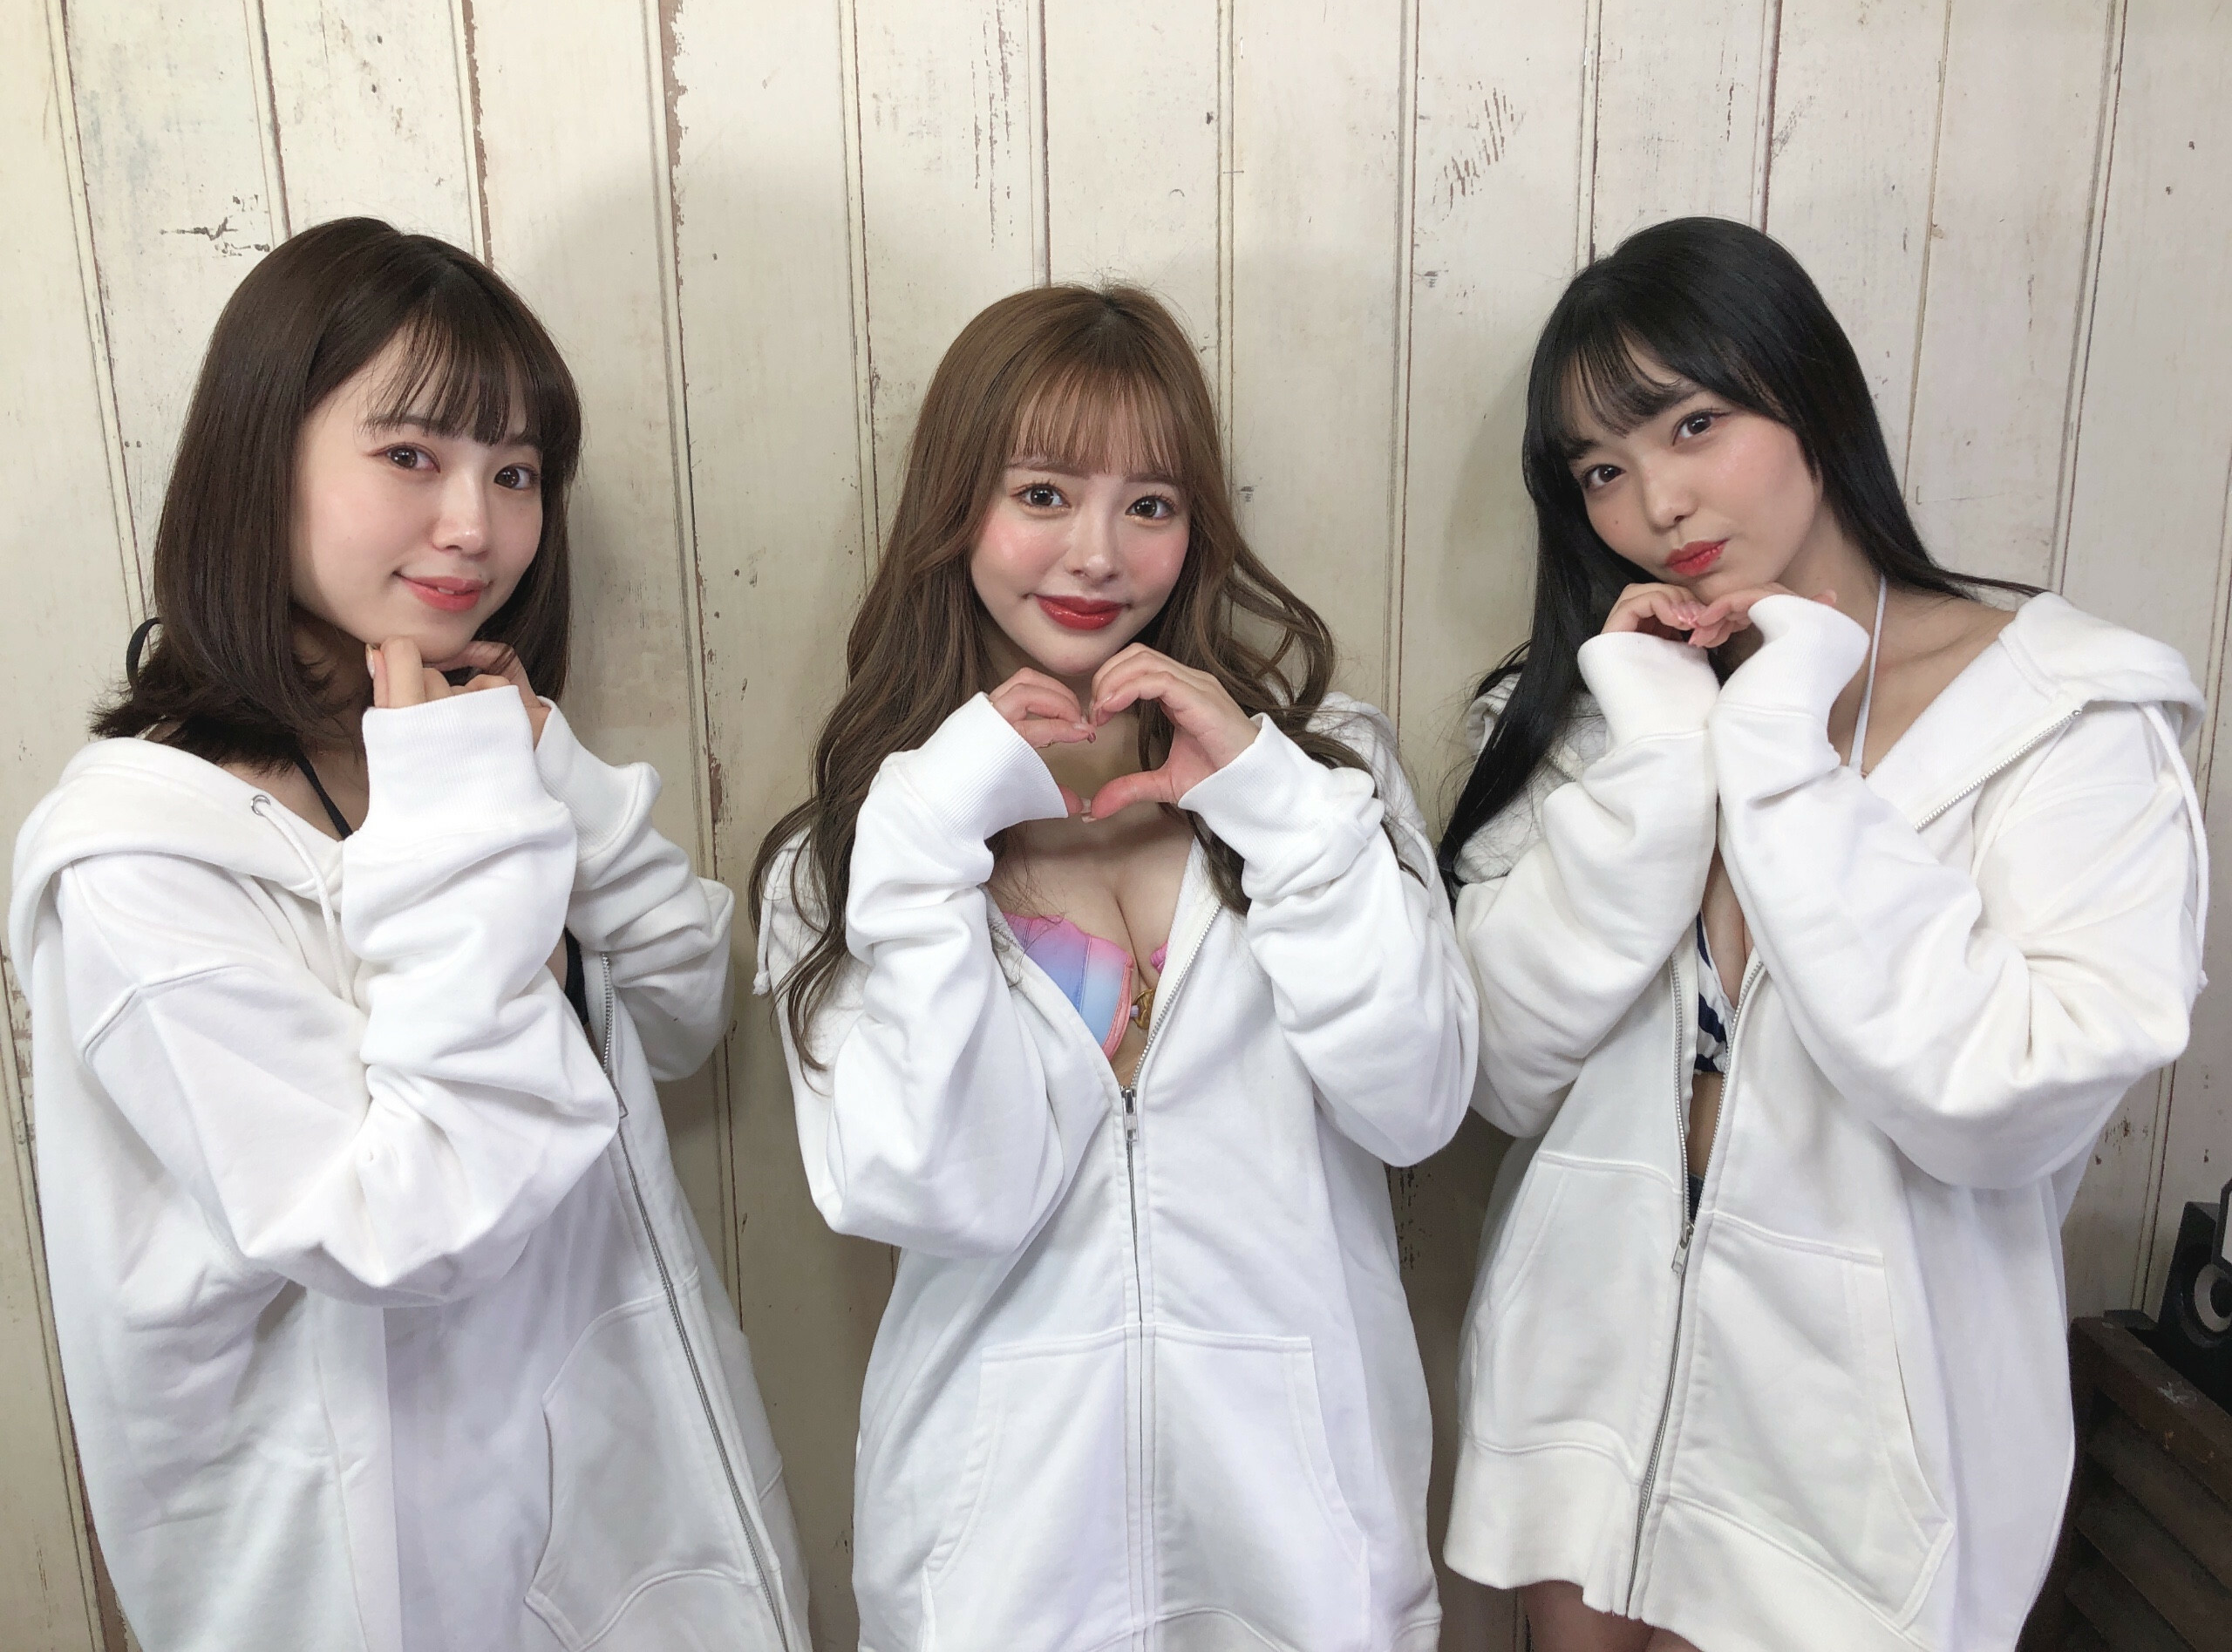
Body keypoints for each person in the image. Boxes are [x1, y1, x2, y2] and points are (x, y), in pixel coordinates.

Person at [8, 218, 806, 1652]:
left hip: (645, 1512)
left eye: (516, 472)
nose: (476, 526)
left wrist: (541, 766)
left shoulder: (462, 748)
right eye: (410, 455)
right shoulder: (139, 859)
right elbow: (405, 1227)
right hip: (390, 1577)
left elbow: (684, 1010)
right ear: (261, 462)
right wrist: (464, 812)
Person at [1437, 216, 2208, 1652]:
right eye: (1602, 470)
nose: (1657, 503)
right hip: (1583, 1405)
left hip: (1864, 1476)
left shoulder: (2065, 712)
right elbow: (1504, 1071)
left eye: (1694, 423)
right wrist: (1661, 762)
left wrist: (1784, 749)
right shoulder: (1592, 711)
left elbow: (2015, 1099)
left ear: (1809, 390)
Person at [752, 283, 1476, 1650]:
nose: (1097, 554)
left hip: (1307, 1554)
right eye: (1042, 493)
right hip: (1001, 1574)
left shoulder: (1324, 783)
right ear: (958, 506)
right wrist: (926, 841)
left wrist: (1272, 803)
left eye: (1150, 503)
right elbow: (938, 1188)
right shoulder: (851, 852)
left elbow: (1416, 1104)